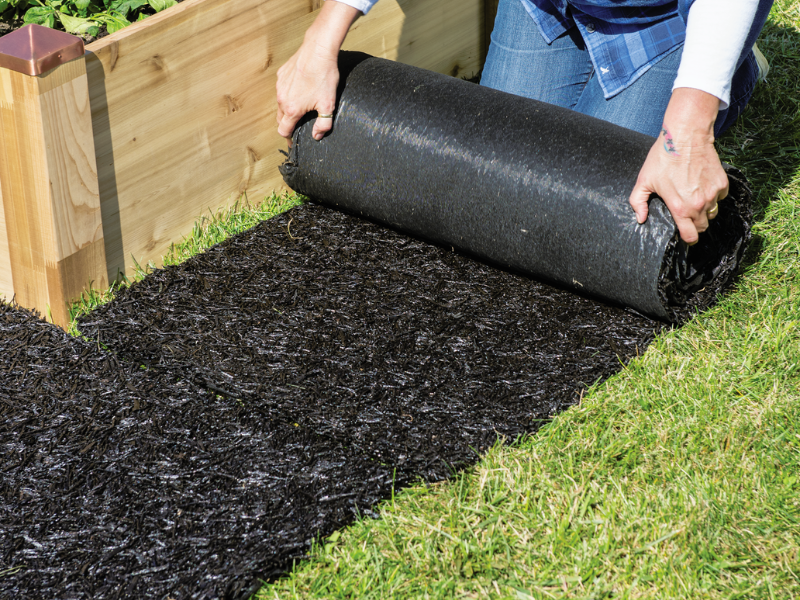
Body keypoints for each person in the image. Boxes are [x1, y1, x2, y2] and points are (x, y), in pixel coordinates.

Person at [276, 0, 773, 245]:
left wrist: (690, 125)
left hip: (669, 11)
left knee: (600, 218)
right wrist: (323, 38)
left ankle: (724, 63)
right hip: (551, 5)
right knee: (498, 181)